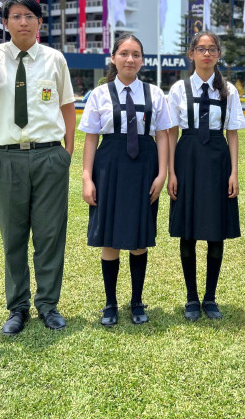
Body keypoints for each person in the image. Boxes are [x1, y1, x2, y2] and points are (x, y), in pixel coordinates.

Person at [0, 0, 76, 335]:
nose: (23, 21)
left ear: (40, 22)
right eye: (16, 16)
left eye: (30, 16)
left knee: (50, 234)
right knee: (13, 236)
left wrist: (67, 151)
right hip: (6, 156)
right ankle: (17, 307)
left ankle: (48, 304)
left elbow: (67, 107)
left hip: (49, 156)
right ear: (5, 23)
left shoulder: (55, 60)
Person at [79, 35, 171, 327]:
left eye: (135, 55)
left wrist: (162, 173)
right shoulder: (99, 94)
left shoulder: (155, 94)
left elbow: (163, 136)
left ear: (142, 60)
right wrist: (86, 177)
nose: (130, 59)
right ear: (114, 58)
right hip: (109, 168)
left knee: (139, 238)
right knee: (110, 238)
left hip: (145, 168)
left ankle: (136, 301)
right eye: (124, 54)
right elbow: (91, 139)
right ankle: (110, 304)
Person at [167, 31, 245, 321]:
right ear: (191, 54)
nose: (207, 54)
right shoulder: (178, 89)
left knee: (215, 231)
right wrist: (172, 172)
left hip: (217, 160)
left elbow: (233, 134)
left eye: (212, 49)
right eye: (201, 49)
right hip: (186, 158)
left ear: (218, 54)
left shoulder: (228, 91)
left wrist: (234, 172)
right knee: (187, 230)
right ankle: (191, 298)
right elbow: (171, 133)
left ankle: (210, 297)